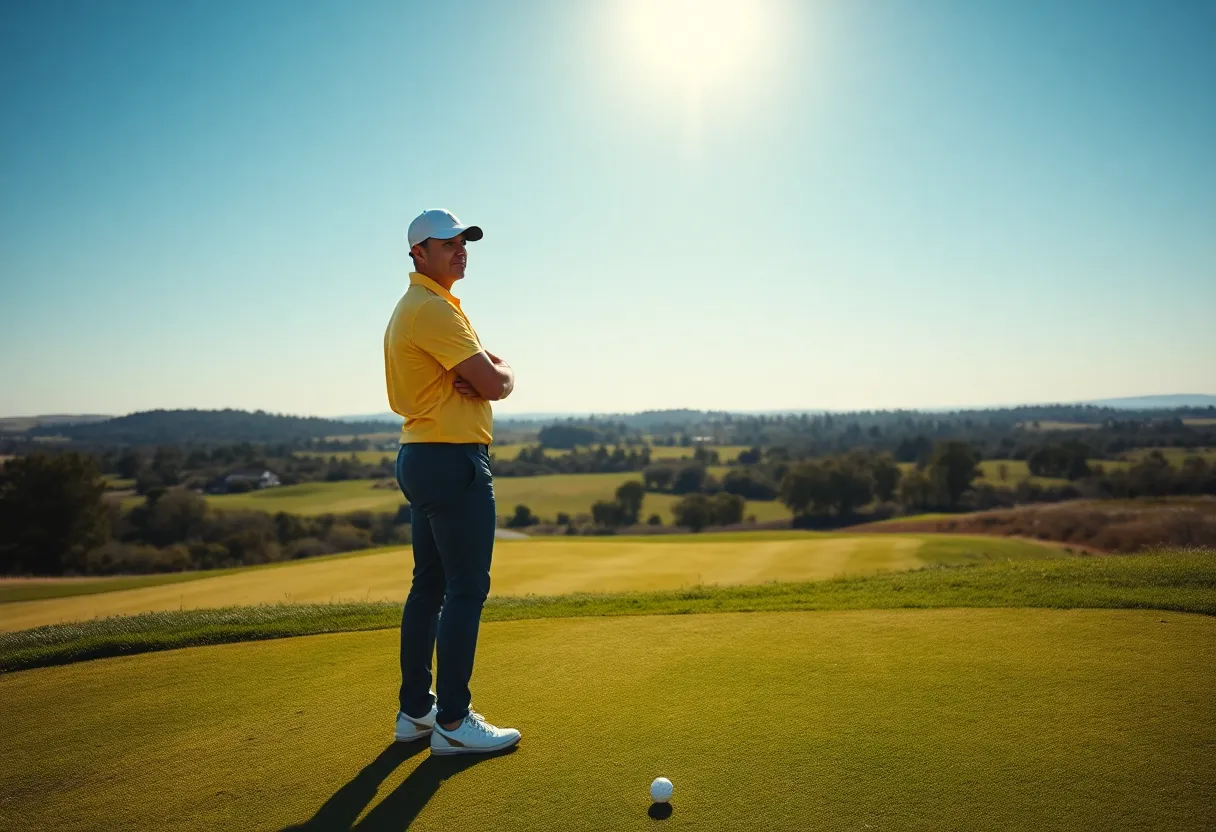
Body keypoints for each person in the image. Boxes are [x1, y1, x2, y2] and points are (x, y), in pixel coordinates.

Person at [383, 208, 520, 756]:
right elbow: (495, 380)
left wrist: (481, 376)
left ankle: (417, 712)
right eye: (447, 243)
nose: (460, 249)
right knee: (465, 590)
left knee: (430, 587)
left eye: (464, 241)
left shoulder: (421, 307)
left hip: (422, 455)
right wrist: (501, 374)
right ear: (418, 253)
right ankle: (454, 723)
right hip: (451, 459)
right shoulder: (433, 311)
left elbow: (478, 378)